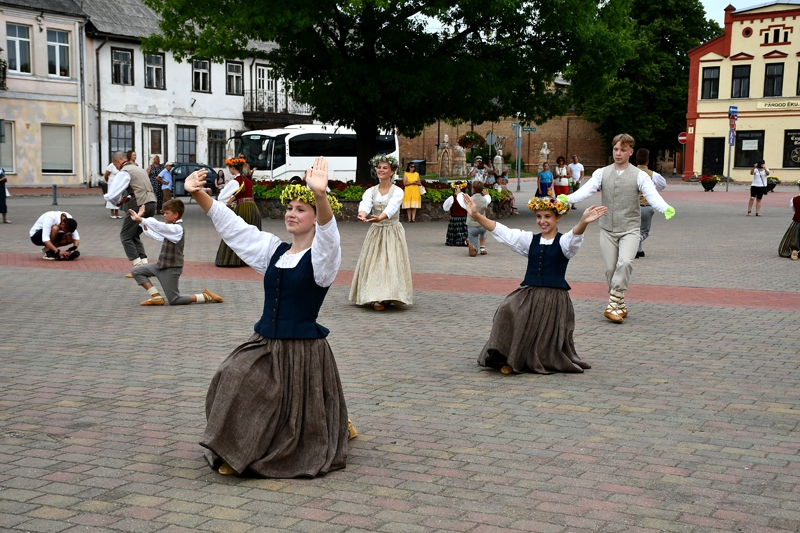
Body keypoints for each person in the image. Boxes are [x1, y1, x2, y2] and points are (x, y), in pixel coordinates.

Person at [184, 158, 354, 478]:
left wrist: (319, 195)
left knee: (286, 408)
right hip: (265, 342)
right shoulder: (274, 251)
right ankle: (234, 446)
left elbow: (330, 236)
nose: (292, 213)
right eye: (290, 207)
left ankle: (253, 450)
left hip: (302, 349)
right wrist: (197, 194)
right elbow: (236, 229)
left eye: (301, 209)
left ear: (316, 218)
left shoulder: (323, 258)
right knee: (231, 375)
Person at [464, 194, 607, 374]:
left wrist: (583, 222)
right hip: (530, 293)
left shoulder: (563, 242)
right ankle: (504, 355)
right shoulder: (530, 239)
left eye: (547, 217)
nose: (542, 221)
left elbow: (574, 236)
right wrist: (476, 216)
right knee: (507, 308)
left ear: (558, 218)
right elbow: (501, 230)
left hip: (554, 297)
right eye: (539, 217)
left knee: (542, 334)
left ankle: (524, 359)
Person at [558, 133, 675, 324]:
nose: (618, 153)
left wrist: (665, 208)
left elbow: (652, 195)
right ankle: (619, 304)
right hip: (607, 229)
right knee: (611, 269)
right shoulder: (601, 173)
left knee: (626, 262)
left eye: (622, 150)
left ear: (631, 151)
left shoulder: (640, 176)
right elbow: (586, 190)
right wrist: (568, 199)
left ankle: (612, 304)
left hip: (630, 228)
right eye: (615, 149)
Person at [128, 199, 224, 306]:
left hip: (171, 268)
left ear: (176, 215)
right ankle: (156, 297)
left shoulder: (177, 229)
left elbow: (160, 227)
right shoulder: (170, 229)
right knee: (136, 271)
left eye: (167, 213)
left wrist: (142, 219)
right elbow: (155, 234)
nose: (164, 215)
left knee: (174, 299)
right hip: (161, 265)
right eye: (163, 213)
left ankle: (205, 296)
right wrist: (141, 221)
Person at [349, 155, 413, 311]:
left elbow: (392, 207)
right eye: (379, 168)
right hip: (376, 231)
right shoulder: (371, 190)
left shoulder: (397, 191)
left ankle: (388, 296)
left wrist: (381, 217)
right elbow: (365, 203)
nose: (381, 170)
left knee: (390, 263)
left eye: (385, 168)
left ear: (392, 172)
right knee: (374, 263)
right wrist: (362, 214)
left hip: (392, 230)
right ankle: (373, 295)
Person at [104, 150, 157, 274]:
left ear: (117, 160)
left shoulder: (125, 171)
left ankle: (138, 267)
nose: (116, 167)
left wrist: (116, 201)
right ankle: (144, 265)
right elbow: (139, 188)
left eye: (115, 164)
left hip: (139, 204)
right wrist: (126, 199)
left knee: (125, 236)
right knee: (134, 235)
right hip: (151, 203)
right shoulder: (138, 169)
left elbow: (113, 193)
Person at [215, 157, 262, 266]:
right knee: (251, 235)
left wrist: (231, 202)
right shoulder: (247, 180)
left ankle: (230, 260)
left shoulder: (236, 182)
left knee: (235, 232)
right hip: (253, 208)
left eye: (229, 168)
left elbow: (221, 197)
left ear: (232, 168)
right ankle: (251, 259)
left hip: (242, 208)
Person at [635, 148, 667, 259]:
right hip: (645, 206)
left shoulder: (630, 173)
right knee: (643, 231)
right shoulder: (653, 175)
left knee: (633, 229)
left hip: (631, 207)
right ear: (647, 161)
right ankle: (633, 245)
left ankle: (639, 250)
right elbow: (663, 184)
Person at [466, 181, 491, 256]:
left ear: (473, 189)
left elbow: (461, 201)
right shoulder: (485, 200)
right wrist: (487, 194)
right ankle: (482, 247)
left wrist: (458, 194)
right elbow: (488, 198)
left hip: (472, 225)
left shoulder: (470, 200)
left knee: (473, 237)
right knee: (483, 233)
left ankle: (474, 248)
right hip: (482, 225)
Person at [778, 181, 800, 260]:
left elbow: (793, 209)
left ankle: (794, 250)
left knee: (794, 238)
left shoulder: (794, 199)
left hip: (798, 222)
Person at [443, 181, 469, 246]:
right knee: (464, 230)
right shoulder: (467, 197)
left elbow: (445, 207)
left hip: (455, 218)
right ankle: (466, 240)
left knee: (457, 230)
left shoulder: (452, 198)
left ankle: (457, 241)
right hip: (465, 218)